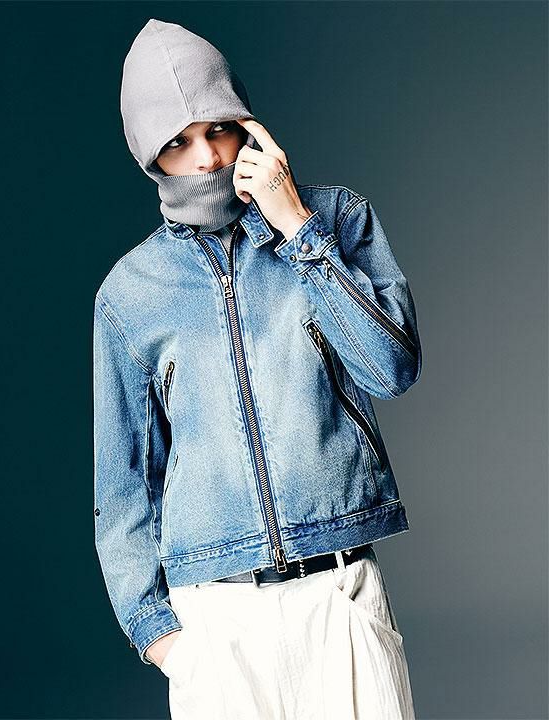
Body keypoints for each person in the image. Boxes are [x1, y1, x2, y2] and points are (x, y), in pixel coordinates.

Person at [93, 17, 423, 720]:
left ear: (247, 124)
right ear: (150, 157)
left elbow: (391, 368)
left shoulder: (338, 220)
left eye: (217, 129)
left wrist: (297, 227)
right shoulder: (130, 294)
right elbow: (123, 483)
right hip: (217, 624)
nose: (206, 158)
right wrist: (161, 636)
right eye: (177, 143)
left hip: (338, 596)